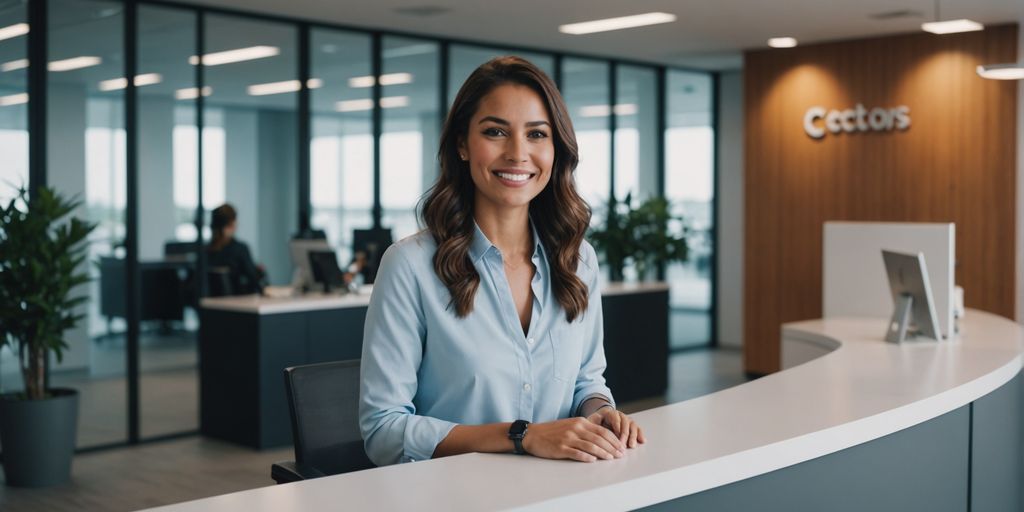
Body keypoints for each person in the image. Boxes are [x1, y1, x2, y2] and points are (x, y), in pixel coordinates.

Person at [359, 56, 645, 467]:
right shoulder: (410, 266)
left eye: (536, 134)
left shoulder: (578, 259)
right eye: (495, 132)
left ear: (555, 149)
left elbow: (587, 381)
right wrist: (522, 437)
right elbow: (383, 430)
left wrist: (598, 412)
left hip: (561, 491)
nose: (517, 153)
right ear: (462, 144)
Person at [207, 204, 265, 295]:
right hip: (236, 303)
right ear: (232, 223)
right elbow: (253, 279)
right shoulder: (240, 249)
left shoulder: (205, 250)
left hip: (208, 305)